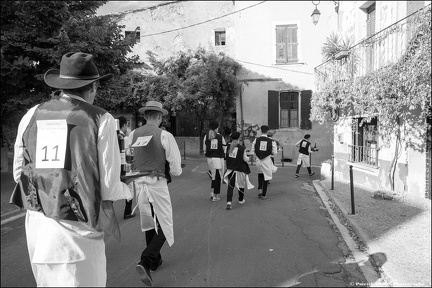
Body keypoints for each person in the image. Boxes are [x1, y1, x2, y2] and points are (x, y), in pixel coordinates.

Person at [11, 51, 132, 286]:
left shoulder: (31, 114)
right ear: (93, 87)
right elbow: (108, 188)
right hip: (77, 229)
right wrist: (129, 191)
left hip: (39, 225)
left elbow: (19, 174)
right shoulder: (101, 119)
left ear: (63, 85)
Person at [124, 100, 182, 286]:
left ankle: (155, 261)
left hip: (139, 183)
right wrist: (175, 171)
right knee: (165, 222)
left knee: (149, 222)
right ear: (158, 116)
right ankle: (146, 260)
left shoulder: (132, 134)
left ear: (145, 116)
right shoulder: (164, 135)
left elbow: (127, 158)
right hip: (156, 182)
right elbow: (175, 166)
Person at [223, 131, 254, 210]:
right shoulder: (242, 148)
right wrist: (249, 156)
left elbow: (226, 157)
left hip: (230, 169)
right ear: (239, 138)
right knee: (241, 185)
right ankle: (241, 199)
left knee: (230, 186)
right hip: (239, 169)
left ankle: (229, 202)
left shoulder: (228, 146)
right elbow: (245, 159)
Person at [251, 125, 277, 200]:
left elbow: (252, 150)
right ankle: (264, 194)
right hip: (266, 160)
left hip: (258, 160)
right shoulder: (271, 141)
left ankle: (259, 189)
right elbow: (274, 152)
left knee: (260, 175)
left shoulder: (256, 140)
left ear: (261, 130)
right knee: (266, 177)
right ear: (267, 131)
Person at [118, 116, 136, 220]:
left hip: (115, 168)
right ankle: (127, 212)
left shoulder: (113, 136)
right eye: (127, 125)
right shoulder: (124, 138)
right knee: (130, 190)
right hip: (125, 167)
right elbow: (130, 153)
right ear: (124, 125)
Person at [203, 120, 226, 201]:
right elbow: (224, 148)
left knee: (213, 176)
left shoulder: (206, 136)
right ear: (217, 128)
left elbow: (204, 149)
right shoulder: (220, 137)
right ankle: (215, 196)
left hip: (209, 158)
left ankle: (212, 193)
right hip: (218, 158)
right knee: (218, 176)